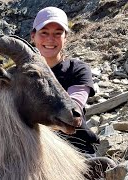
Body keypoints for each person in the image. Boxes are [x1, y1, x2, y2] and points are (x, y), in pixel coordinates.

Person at [30, 7, 100, 157]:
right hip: (31, 151)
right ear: (33, 36)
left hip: (75, 151)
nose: (50, 39)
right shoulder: (22, 75)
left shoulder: (78, 69)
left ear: (65, 37)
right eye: (44, 33)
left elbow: (74, 111)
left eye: (58, 33)